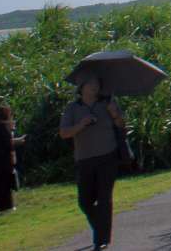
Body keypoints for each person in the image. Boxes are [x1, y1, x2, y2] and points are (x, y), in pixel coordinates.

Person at [59, 74, 125, 250]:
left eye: (97, 83)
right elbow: (64, 133)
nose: (94, 86)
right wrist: (81, 124)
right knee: (84, 201)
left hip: (108, 155)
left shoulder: (107, 103)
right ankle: (101, 229)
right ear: (81, 87)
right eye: (90, 83)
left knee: (104, 198)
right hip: (84, 158)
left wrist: (114, 114)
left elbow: (121, 125)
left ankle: (101, 240)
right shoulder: (73, 108)